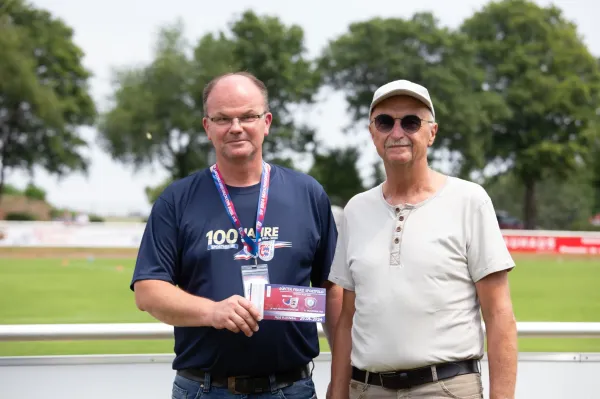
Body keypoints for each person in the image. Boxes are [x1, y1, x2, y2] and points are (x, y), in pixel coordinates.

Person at [131, 71, 342, 398]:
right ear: (207, 127)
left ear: (267, 122)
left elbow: (333, 292)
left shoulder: (307, 194)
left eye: (248, 116)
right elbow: (148, 290)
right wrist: (212, 312)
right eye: (222, 118)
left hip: (292, 388)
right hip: (205, 388)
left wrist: (341, 379)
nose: (236, 127)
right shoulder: (177, 200)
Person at [327, 79, 518, 399]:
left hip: (445, 388)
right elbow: (348, 318)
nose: (397, 132)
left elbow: (499, 316)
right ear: (372, 132)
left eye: (411, 122)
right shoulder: (356, 209)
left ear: (432, 132)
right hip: (368, 389)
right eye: (385, 122)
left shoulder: (469, 200)